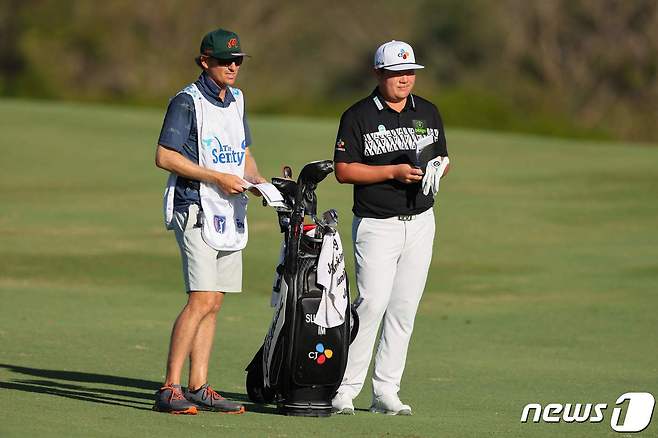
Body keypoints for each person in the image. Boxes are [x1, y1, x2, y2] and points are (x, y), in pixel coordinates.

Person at [331, 40, 451, 416]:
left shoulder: (428, 112)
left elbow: (443, 157)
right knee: (371, 305)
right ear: (379, 74)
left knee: (403, 309)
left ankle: (385, 391)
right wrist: (392, 172)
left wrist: (438, 170)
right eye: (397, 73)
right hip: (376, 224)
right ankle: (345, 389)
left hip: (420, 222)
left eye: (410, 72)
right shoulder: (358, 116)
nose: (405, 79)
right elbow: (343, 170)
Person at [153, 28, 265, 415]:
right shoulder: (186, 102)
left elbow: (243, 152)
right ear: (205, 62)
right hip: (196, 207)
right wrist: (217, 177)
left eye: (237, 60)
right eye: (224, 61)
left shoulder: (237, 99)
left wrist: (261, 183)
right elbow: (165, 156)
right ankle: (170, 387)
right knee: (199, 299)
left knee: (214, 301)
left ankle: (199, 385)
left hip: (228, 212)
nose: (233, 66)